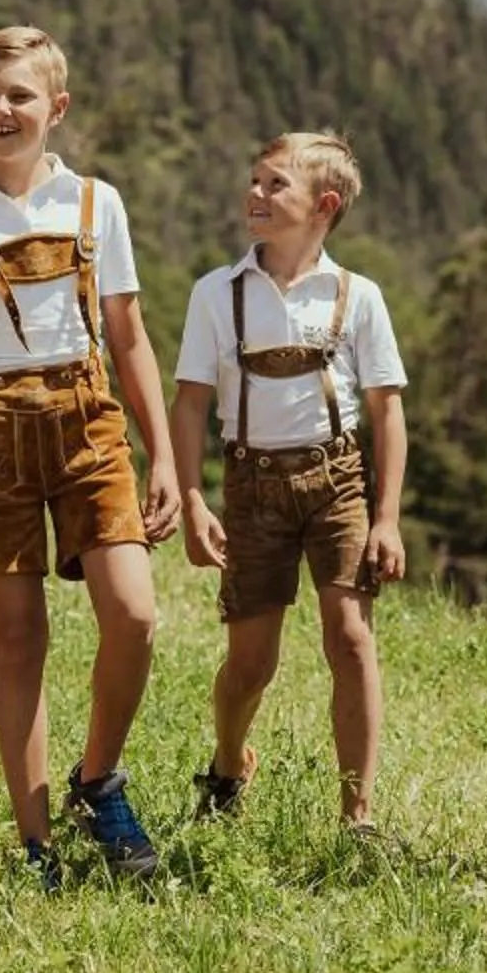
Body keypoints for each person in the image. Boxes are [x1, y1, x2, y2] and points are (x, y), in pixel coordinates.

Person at [0, 25, 183, 887]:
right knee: (17, 639)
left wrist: (164, 457)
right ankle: (36, 846)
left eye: (19, 95)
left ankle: (98, 780)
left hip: (89, 422)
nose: (1, 109)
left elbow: (128, 336)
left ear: (56, 108)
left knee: (133, 614)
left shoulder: (97, 204)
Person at [174, 132, 410, 830]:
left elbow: (386, 411)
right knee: (251, 663)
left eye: (275, 184)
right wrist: (193, 500)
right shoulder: (217, 293)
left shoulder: (358, 297)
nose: (256, 193)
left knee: (352, 639)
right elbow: (189, 405)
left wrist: (387, 518)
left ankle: (357, 816)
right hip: (252, 487)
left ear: (324, 206)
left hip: (337, 482)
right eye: (254, 180)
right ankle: (228, 762)